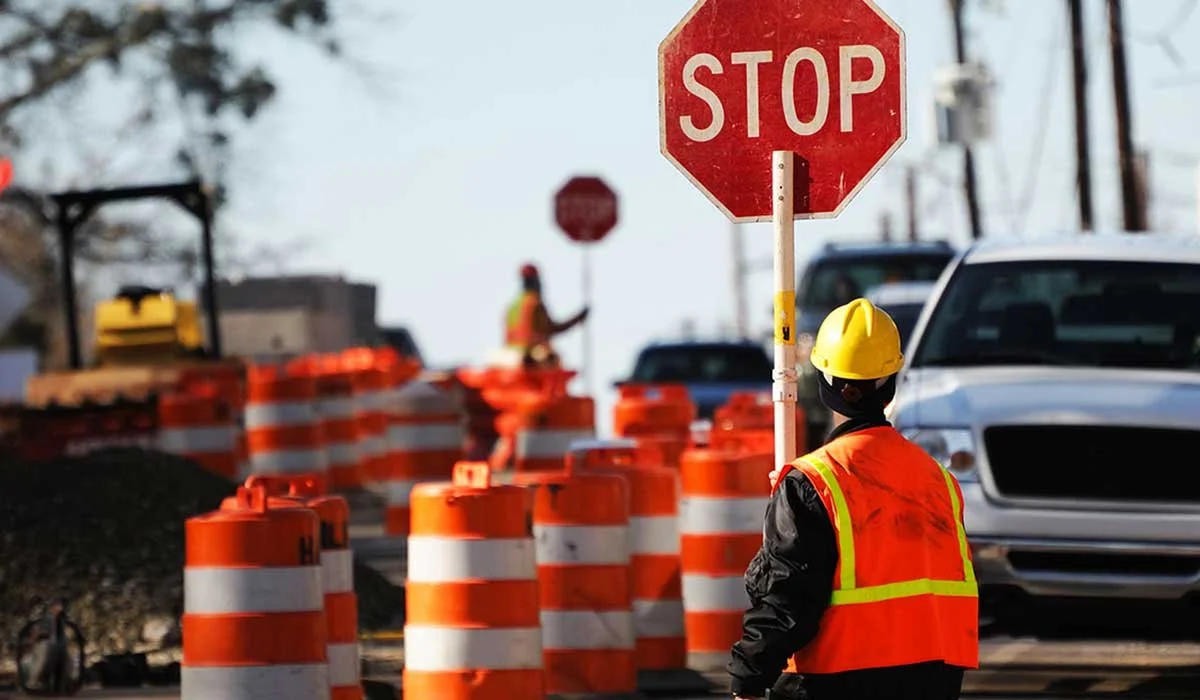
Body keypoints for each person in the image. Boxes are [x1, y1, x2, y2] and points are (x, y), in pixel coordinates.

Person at [727, 297, 979, 700]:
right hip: (934, 680)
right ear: (891, 382)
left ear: (825, 383)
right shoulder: (940, 481)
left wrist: (748, 675)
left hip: (836, 680)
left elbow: (789, 598)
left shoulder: (813, 481)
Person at [504, 262, 588, 368]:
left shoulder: (513, 305)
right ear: (536, 282)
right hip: (530, 355)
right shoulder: (535, 304)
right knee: (553, 359)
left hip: (510, 353)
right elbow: (551, 329)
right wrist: (578, 318)